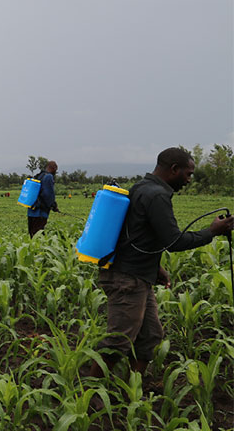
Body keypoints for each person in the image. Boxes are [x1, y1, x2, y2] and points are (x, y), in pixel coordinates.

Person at [89, 147, 234, 379]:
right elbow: (174, 241)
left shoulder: (141, 187)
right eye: (188, 174)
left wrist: (155, 267)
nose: (189, 180)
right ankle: (88, 390)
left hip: (137, 274)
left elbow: (135, 235)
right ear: (174, 169)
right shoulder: (157, 195)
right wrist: (212, 231)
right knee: (119, 340)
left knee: (150, 336)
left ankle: (133, 390)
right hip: (127, 279)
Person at [27, 161, 59, 237]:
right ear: (53, 168)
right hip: (40, 212)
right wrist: (53, 206)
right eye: (55, 170)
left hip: (31, 210)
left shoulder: (39, 176)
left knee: (32, 234)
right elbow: (48, 195)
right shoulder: (48, 177)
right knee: (38, 235)